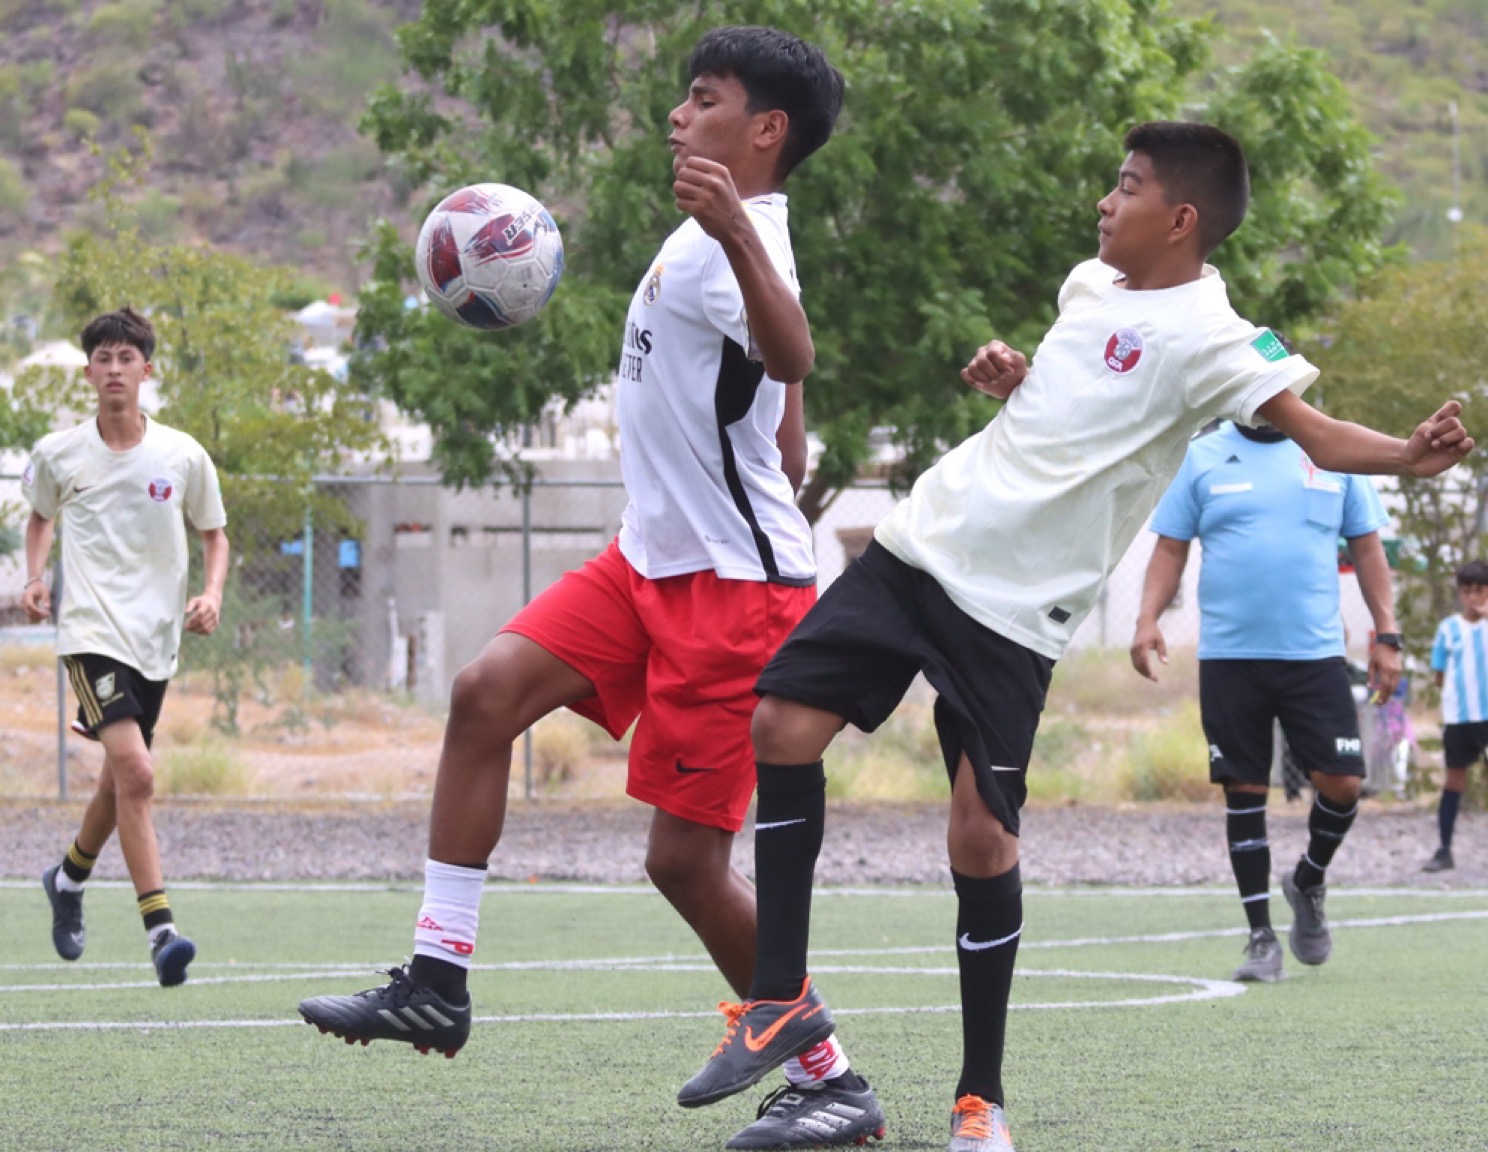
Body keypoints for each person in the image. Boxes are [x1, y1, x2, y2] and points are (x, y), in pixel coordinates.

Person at [674, 121, 1473, 1152]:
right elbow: (1079, 398)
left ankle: (980, 1102)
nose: (1106, 199)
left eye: (1128, 186)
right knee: (781, 720)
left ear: (1179, 220)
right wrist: (1019, 379)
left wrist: (1409, 455)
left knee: (980, 836)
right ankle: (778, 999)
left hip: (1011, 616)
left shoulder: (1218, 336)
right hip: (925, 545)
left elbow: (1317, 432)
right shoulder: (1086, 286)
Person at [297, 27, 884, 1151]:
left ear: (764, 131)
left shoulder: (740, 237)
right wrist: (758, 450)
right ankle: (437, 978)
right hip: (645, 561)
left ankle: (832, 1080)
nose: (678, 112)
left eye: (703, 99)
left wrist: (738, 267)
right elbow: (784, 424)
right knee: (484, 694)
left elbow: (793, 352)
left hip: (729, 593)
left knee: (681, 864)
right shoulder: (714, 232)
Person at [1129, 414, 1402, 983]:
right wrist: (1147, 618)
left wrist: (1387, 635)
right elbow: (1170, 548)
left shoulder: (1334, 452)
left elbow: (1368, 547)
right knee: (1243, 788)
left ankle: (1307, 879)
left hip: (1316, 655)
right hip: (1231, 658)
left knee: (1344, 781)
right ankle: (1260, 937)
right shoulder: (1201, 456)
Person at [22, 306, 229, 988]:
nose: (114, 369)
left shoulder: (182, 454)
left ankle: (68, 877)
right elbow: (41, 517)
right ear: (88, 373)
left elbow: (214, 534)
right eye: (103, 358)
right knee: (138, 774)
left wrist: (212, 593)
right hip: (90, 634)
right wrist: (33, 578)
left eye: (126, 358)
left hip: (156, 640)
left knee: (120, 779)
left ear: (147, 370)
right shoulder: (60, 453)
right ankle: (161, 929)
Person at [1422, 559, 1488, 872]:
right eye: (1467, 591)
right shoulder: (1448, 629)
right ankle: (1444, 849)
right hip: (1461, 718)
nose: (1474, 597)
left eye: (1480, 590)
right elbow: (1439, 675)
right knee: (1454, 779)